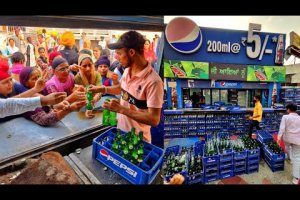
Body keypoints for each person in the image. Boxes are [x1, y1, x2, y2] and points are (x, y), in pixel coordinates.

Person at [88, 31, 164, 143]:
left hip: (138, 142)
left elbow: (154, 119)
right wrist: (102, 89)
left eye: (119, 53)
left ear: (132, 52)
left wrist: (121, 109)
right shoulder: (127, 70)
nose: (117, 57)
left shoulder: (153, 82)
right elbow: (122, 89)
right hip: (121, 133)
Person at [19, 67, 86, 126]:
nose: (38, 80)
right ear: (26, 83)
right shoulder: (27, 100)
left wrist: (59, 106)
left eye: (39, 76)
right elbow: (45, 119)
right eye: (34, 79)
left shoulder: (42, 90)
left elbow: (52, 106)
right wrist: (69, 109)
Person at [277, 103, 300, 184]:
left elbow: (282, 128)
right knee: (297, 158)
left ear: (289, 109)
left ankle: (289, 158)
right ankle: (296, 178)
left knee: (287, 148)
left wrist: (278, 138)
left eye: (287, 109)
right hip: (298, 140)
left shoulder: (285, 117)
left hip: (288, 138)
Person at [0, 93, 67, 118]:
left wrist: (51, 104)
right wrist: (70, 109)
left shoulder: (18, 87)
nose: (10, 83)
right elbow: (7, 105)